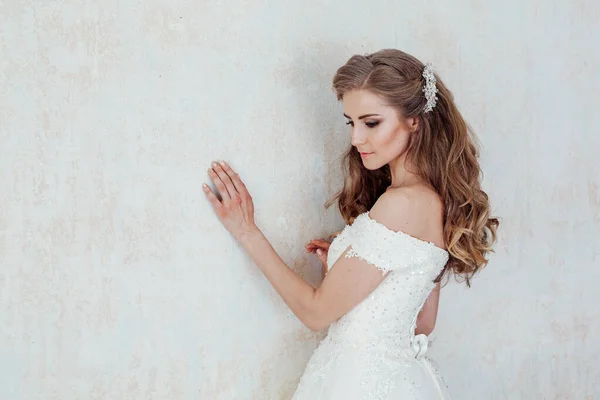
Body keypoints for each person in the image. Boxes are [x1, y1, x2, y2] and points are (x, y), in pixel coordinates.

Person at [202, 48, 499, 399]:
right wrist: (347, 270)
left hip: (358, 382)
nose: (356, 138)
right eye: (351, 122)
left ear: (414, 120)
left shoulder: (400, 204)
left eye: (371, 122)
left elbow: (315, 313)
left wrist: (246, 230)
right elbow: (421, 322)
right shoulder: (432, 199)